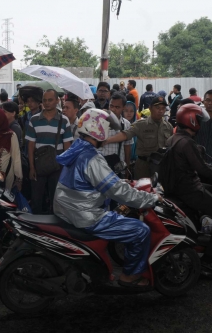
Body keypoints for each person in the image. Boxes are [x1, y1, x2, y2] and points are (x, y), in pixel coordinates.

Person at [54, 108, 163, 289]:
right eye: (107, 127)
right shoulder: (92, 158)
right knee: (140, 230)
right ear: (98, 128)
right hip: (86, 215)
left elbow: (95, 182)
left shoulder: (77, 148)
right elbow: (118, 192)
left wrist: (120, 182)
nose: (109, 132)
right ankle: (129, 277)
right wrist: (150, 199)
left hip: (68, 209)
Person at [164, 104, 212, 276]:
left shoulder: (174, 138)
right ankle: (208, 261)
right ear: (192, 121)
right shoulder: (187, 142)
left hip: (177, 187)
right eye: (199, 120)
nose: (201, 123)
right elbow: (204, 170)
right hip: (189, 190)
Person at [26, 89, 73, 215]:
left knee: (56, 200)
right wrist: (31, 167)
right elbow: (30, 145)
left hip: (57, 167)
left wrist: (66, 169)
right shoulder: (34, 120)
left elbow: (67, 146)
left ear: (57, 101)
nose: (47, 103)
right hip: (38, 166)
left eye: (50, 100)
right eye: (44, 100)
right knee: (36, 200)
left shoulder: (64, 120)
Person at [104, 96, 173, 179]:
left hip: (161, 166)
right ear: (150, 108)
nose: (161, 111)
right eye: (157, 108)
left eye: (163, 108)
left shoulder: (168, 127)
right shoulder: (140, 124)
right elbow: (125, 134)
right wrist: (107, 141)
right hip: (144, 167)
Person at [101, 94, 132, 179]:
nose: (113, 109)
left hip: (118, 167)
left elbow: (127, 147)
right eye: (111, 106)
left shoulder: (126, 124)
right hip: (101, 167)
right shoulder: (100, 121)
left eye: (117, 107)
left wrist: (127, 166)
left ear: (123, 107)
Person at [123, 101, 139, 167]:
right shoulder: (119, 126)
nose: (129, 113)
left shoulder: (137, 126)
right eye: (126, 111)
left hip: (134, 161)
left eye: (131, 111)